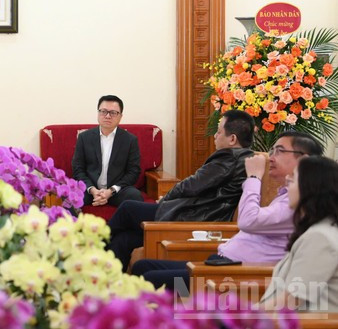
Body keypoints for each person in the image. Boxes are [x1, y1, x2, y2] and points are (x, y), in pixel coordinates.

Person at [131, 131, 323, 291]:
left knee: (150, 280)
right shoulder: (285, 195)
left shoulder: (298, 203)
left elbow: (247, 221)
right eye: (272, 150)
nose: (271, 157)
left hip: (230, 278)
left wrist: (255, 177)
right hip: (219, 265)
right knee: (143, 267)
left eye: (279, 151)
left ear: (304, 160)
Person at [107, 109, 255, 270]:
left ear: (232, 139)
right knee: (125, 239)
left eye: (219, 132)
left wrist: (164, 200)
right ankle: (108, 281)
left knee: (128, 208)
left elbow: (190, 185)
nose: (215, 136)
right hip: (201, 215)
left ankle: (92, 244)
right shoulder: (244, 157)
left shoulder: (229, 158)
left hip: (193, 218)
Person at [259, 156, 338, 312]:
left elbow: (290, 300)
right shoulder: (319, 230)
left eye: (293, 178)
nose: (288, 184)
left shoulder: (320, 238)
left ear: (311, 187)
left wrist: (238, 317)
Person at [71, 95, 143, 207]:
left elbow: (133, 171)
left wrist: (111, 191)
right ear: (98, 113)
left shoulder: (130, 140)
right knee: (72, 198)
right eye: (103, 111)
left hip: (116, 191)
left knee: (135, 196)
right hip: (90, 190)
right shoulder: (84, 137)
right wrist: (93, 190)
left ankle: (118, 224)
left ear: (120, 116)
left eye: (113, 113)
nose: (108, 116)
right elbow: (78, 168)